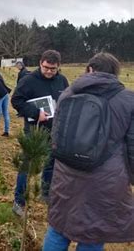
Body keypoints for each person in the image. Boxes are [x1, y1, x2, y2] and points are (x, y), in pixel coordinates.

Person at [43, 53, 134, 250]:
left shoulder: (67, 94)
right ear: (115, 74)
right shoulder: (129, 100)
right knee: (93, 233)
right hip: (105, 180)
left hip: (66, 174)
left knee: (58, 228)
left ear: (90, 69)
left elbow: (56, 136)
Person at [10, 50, 69, 217]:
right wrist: (36, 113)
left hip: (55, 130)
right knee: (27, 166)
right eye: (46, 67)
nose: (49, 71)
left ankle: (46, 193)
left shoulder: (62, 80)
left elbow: (67, 99)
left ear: (58, 67)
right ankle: (19, 201)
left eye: (53, 69)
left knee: (51, 163)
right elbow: (16, 100)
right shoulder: (28, 80)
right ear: (40, 63)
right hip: (34, 131)